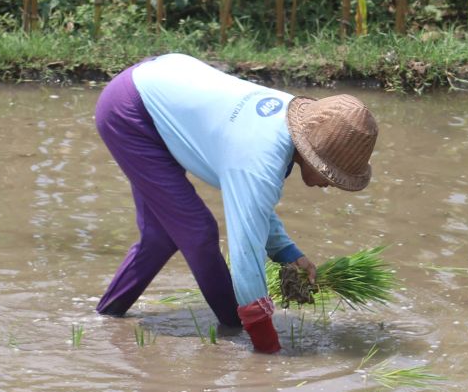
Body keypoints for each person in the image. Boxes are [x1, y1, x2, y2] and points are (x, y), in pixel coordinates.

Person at [93, 53, 378, 354]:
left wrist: (287, 253)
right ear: (311, 154)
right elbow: (245, 256)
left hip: (161, 79)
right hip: (131, 113)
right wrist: (266, 347)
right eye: (330, 174)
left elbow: (253, 206)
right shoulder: (259, 160)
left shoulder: (295, 124)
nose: (329, 184)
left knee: (161, 236)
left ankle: (106, 317)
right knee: (198, 233)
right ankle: (231, 325)